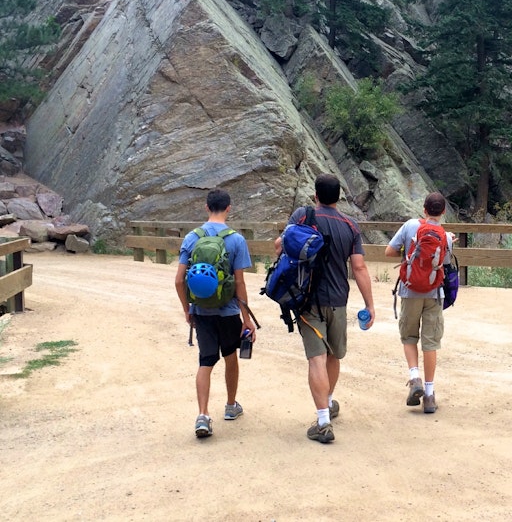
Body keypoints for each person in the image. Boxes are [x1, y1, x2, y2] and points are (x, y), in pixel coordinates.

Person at [278, 173, 376, 444]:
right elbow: (359, 267)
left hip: (308, 300)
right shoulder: (350, 225)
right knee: (333, 356)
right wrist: (369, 304)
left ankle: (323, 422)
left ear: (316, 195)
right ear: (339, 196)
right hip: (338, 300)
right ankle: (329, 402)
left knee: (316, 359)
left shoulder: (303, 215)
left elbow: (279, 246)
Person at [175, 188, 256, 438]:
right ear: (229, 208)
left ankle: (203, 415)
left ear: (206, 207)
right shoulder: (236, 240)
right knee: (231, 357)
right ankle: (231, 406)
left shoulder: (192, 238)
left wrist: (187, 310)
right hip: (228, 312)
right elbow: (239, 283)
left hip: (202, 311)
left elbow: (179, 280)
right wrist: (246, 319)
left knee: (205, 361)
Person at [385, 191, 454, 414]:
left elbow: (389, 251)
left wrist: (408, 253)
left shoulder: (409, 226)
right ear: (443, 211)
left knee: (409, 337)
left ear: (424, 209)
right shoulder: (445, 235)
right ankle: (430, 395)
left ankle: (415, 378)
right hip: (434, 294)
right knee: (430, 343)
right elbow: (444, 263)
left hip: (409, 290)